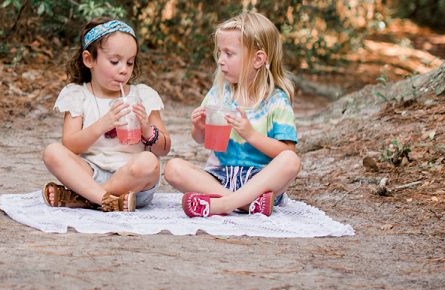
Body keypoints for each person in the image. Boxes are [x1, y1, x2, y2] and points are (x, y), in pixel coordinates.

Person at [164, 12, 300, 217]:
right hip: (218, 177)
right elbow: (201, 140)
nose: (220, 60)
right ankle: (245, 204)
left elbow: (287, 151)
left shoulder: (276, 101)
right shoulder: (218, 94)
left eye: (229, 53)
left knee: (291, 161)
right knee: (173, 168)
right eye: (220, 53)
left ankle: (224, 205)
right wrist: (199, 128)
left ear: (258, 59)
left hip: (260, 181)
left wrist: (250, 135)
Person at [42, 18, 171, 212]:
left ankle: (86, 198)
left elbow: (164, 149)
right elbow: (70, 145)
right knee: (52, 152)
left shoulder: (142, 95)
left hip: (133, 183)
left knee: (150, 163)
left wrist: (147, 131)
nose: (124, 70)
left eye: (130, 62)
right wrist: (103, 124)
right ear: (89, 60)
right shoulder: (77, 94)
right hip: (89, 174)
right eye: (114, 61)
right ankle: (106, 199)